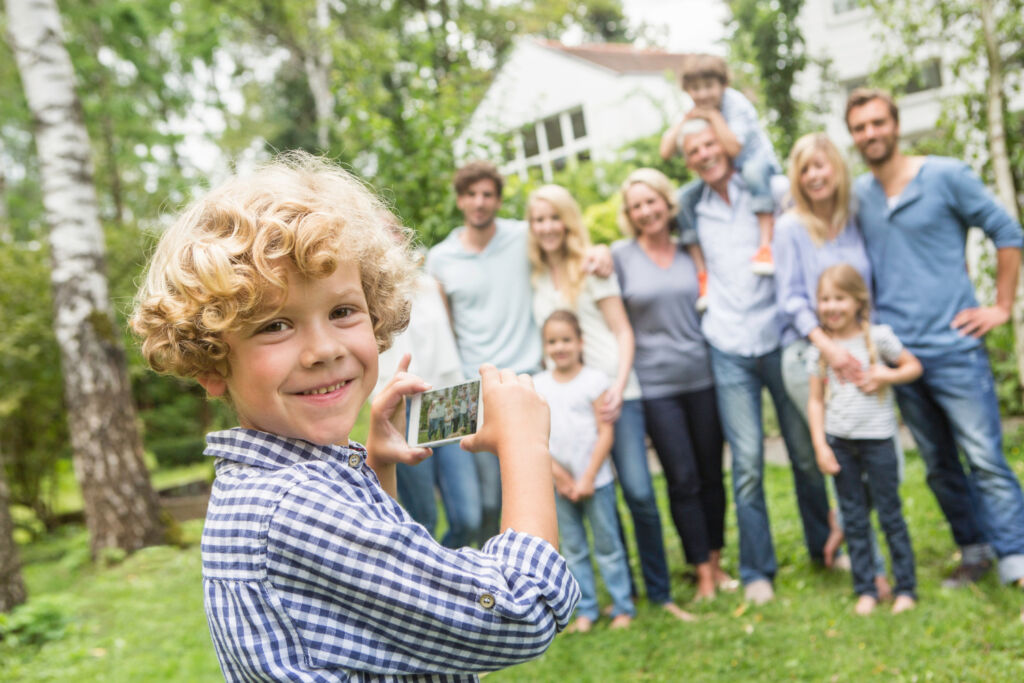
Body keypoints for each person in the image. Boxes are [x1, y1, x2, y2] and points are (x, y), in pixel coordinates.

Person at [130, 153, 579, 681]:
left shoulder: (270, 485)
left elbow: (373, 613)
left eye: (342, 311)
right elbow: (517, 612)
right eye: (275, 325)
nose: (324, 349)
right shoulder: (294, 507)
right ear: (212, 362)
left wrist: (377, 468)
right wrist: (526, 446)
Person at [846, 88, 1024, 589]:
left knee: (984, 458)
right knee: (939, 464)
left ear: (896, 125)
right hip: (901, 357)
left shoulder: (946, 176)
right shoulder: (859, 196)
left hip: (955, 347)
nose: (870, 134)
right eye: (859, 127)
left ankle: (1016, 557)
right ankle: (974, 550)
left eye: (878, 122)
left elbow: (1008, 232)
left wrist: (1001, 307)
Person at [679, 118, 832, 604]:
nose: (704, 155)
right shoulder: (692, 208)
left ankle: (824, 547)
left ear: (726, 145)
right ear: (687, 161)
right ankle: (757, 569)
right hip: (728, 344)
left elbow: (816, 202)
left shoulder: (771, 189)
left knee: (804, 453)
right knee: (746, 463)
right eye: (693, 150)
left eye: (710, 144)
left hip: (780, 337)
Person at [526, 184, 694, 619]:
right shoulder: (536, 277)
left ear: (568, 220)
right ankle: (625, 593)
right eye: (538, 220)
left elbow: (622, 330)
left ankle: (660, 591)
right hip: (572, 398)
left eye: (554, 217)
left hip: (617, 393)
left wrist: (619, 385)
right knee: (599, 491)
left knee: (638, 491)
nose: (547, 227)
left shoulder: (592, 265)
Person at [427, 160, 613, 544]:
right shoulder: (441, 259)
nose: (480, 202)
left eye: (488, 194)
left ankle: (543, 562)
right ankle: (484, 570)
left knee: (536, 486)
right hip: (476, 388)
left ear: (498, 200)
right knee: (488, 500)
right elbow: (445, 328)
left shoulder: (522, 237)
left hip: (529, 378)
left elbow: (564, 241)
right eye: (471, 194)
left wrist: (600, 251)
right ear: (460, 200)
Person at [773, 132, 893, 596]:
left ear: (837, 169)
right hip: (811, 353)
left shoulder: (854, 219)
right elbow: (790, 299)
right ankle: (872, 571)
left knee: (878, 455)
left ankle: (848, 529)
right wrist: (830, 349)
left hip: (860, 351)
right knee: (839, 459)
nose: (814, 176)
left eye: (821, 165)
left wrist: (864, 348)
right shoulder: (790, 228)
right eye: (804, 169)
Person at [613, 168, 731, 605]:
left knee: (711, 474)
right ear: (629, 215)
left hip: (703, 377)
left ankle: (716, 561)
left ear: (667, 202)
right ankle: (701, 572)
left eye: (651, 201)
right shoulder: (619, 256)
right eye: (636, 206)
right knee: (682, 479)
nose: (646, 212)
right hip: (656, 386)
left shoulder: (691, 251)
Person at [806, 264, 921, 616]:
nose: (831, 307)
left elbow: (913, 366)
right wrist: (820, 445)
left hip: (879, 441)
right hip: (840, 443)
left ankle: (905, 588)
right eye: (825, 299)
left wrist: (886, 376)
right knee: (854, 518)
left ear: (858, 301)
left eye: (839, 298)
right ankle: (866, 589)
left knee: (890, 515)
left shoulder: (879, 337)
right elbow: (815, 400)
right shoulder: (819, 350)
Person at [535, 310, 636, 633]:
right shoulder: (539, 385)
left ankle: (622, 605)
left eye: (566, 340)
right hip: (560, 484)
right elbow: (537, 437)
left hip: (597, 481)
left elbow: (605, 432)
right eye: (552, 341)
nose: (559, 347)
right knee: (574, 548)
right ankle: (586, 609)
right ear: (544, 346)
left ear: (581, 342)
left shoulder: (594, 381)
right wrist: (561, 478)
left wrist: (588, 477)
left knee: (608, 545)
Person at [660, 53, 783, 307]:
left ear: (723, 84)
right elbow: (665, 152)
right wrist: (684, 120)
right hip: (728, 171)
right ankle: (702, 275)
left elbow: (733, 148)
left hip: (756, 165)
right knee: (682, 199)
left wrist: (713, 118)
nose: (703, 94)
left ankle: (764, 247)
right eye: (695, 88)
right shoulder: (695, 111)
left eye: (709, 86)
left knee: (752, 174)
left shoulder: (735, 105)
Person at [374, 266, 482, 549]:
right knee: (422, 519)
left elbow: (453, 336)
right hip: (402, 405)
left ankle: (443, 564)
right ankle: (424, 571)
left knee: (469, 518)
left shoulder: (432, 286)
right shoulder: (368, 292)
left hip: (447, 399)